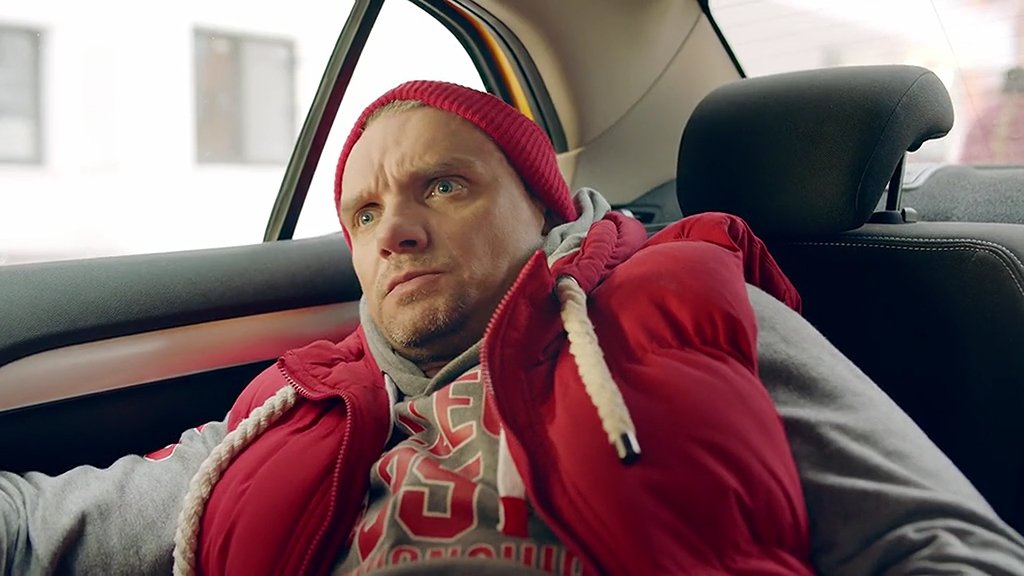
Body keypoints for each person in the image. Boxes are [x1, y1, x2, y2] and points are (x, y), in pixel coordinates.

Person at [1, 81, 1023, 576]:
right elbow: (45, 529)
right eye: (363, 213)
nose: (394, 232)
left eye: (442, 186)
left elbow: (938, 546)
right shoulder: (293, 406)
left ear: (543, 207)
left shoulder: (685, 311)